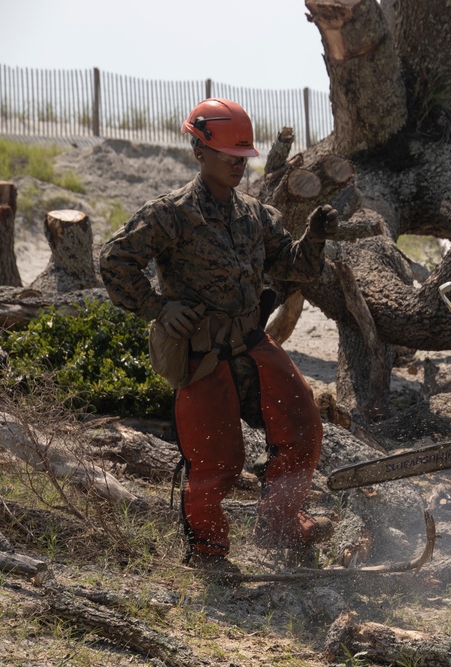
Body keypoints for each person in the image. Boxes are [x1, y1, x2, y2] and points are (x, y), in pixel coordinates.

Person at [99, 98, 338, 573]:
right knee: (217, 459)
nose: (236, 163)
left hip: (252, 343)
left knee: (302, 426)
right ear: (198, 151)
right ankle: (207, 553)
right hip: (204, 354)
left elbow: (291, 265)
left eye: (242, 156)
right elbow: (114, 260)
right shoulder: (171, 214)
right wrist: (158, 307)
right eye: (227, 153)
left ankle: (281, 526)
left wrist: (313, 239)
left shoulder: (255, 215)